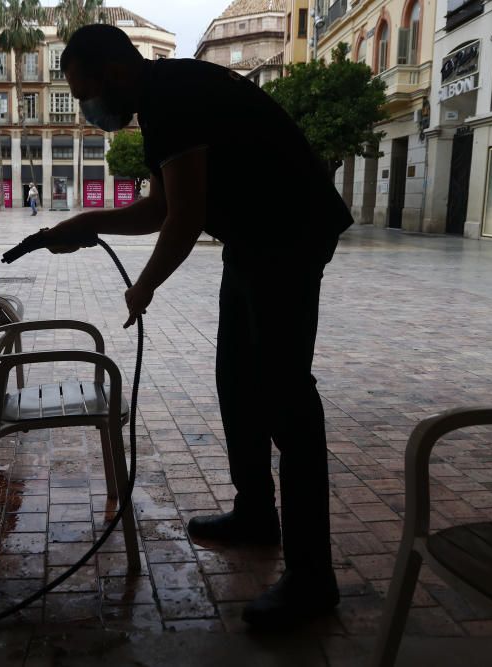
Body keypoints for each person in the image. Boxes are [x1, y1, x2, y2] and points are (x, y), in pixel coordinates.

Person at [40, 25, 353, 629]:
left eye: (84, 93)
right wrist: (89, 222)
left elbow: (183, 218)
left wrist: (144, 284)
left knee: (287, 398)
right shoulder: (162, 99)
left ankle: (313, 577)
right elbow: (160, 206)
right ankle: (257, 514)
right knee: (237, 381)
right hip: (253, 239)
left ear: (113, 71)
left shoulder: (174, 96)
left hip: (288, 235)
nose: (87, 109)